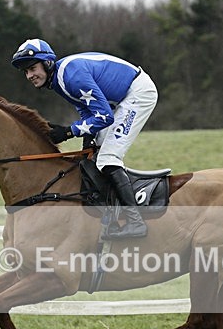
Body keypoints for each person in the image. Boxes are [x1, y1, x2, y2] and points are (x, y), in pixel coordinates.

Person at [10, 38, 158, 239]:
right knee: (93, 155)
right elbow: (88, 112)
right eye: (26, 72)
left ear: (47, 62)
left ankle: (136, 222)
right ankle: (110, 215)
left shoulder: (70, 77)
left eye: (32, 68)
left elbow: (104, 116)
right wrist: (87, 139)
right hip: (121, 100)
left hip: (137, 95)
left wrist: (69, 131)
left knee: (108, 158)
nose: (29, 75)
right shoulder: (59, 81)